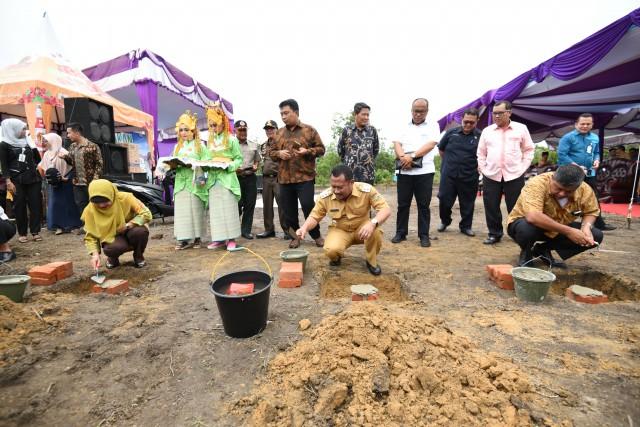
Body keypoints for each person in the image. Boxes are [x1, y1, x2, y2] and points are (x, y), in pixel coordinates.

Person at [297, 165, 391, 275]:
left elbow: (385, 209)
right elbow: (315, 216)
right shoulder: (325, 196)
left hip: (362, 230)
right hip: (340, 229)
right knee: (331, 249)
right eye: (333, 186)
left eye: (340, 187)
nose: (336, 191)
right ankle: (336, 258)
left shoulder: (366, 190)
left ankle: (371, 261)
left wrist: (372, 223)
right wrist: (304, 228)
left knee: (375, 230)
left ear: (351, 182)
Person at [507, 165, 603, 268]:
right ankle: (526, 253)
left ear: (577, 187)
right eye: (558, 188)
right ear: (552, 178)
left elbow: (591, 211)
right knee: (526, 229)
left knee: (596, 235)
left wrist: (586, 227)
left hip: (558, 229)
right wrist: (569, 231)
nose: (562, 194)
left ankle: (542, 249)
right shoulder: (537, 184)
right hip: (526, 225)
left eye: (568, 191)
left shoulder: (584, 189)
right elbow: (533, 216)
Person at [270, 99, 325, 249]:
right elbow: (271, 153)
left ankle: (316, 235)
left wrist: (308, 151)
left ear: (296, 112)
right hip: (285, 179)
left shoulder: (309, 130)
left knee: (308, 206)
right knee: (289, 211)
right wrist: (279, 153)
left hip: (305, 177)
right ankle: (295, 237)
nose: (283, 116)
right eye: (281, 114)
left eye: (286, 113)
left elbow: (321, 149)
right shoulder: (279, 133)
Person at [477, 100, 535, 245]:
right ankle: (494, 233)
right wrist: (483, 169)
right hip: (491, 174)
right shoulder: (487, 131)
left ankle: (517, 233)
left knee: (515, 206)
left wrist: (523, 168)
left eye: (500, 113)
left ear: (509, 113)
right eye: (494, 113)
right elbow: (481, 152)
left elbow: (529, 150)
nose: (496, 116)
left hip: (514, 174)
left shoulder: (521, 128)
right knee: (491, 205)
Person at [391, 98, 440, 247]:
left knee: (423, 205)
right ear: (411, 110)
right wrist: (402, 158)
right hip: (404, 171)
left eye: (421, 111)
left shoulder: (433, 125)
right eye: (415, 111)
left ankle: (424, 235)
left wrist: (411, 156)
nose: (418, 114)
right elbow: (397, 143)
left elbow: (431, 144)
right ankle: (401, 232)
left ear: (427, 111)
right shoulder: (402, 125)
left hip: (424, 171)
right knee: (403, 204)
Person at [557, 113, 615, 231]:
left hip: (589, 173)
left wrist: (597, 160)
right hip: (570, 173)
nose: (585, 126)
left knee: (592, 196)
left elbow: (597, 152)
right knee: (565, 196)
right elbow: (562, 155)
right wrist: (576, 166)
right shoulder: (568, 137)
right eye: (582, 124)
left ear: (592, 125)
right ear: (576, 124)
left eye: (588, 124)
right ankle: (559, 220)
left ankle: (599, 223)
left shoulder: (594, 137)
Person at [83, 179, 152, 270]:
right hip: (111, 237)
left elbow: (146, 213)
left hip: (130, 230)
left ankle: (138, 256)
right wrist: (95, 255)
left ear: (112, 194)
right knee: (111, 249)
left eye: (105, 201)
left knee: (140, 232)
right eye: (97, 203)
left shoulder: (126, 198)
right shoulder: (90, 210)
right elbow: (90, 236)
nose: (102, 205)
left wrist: (129, 225)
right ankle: (112, 259)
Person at [437, 108, 481, 237]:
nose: (468, 124)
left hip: (469, 175)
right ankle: (445, 221)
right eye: (466, 121)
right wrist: (449, 163)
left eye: (471, 123)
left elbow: (484, 154)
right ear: (461, 119)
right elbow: (441, 149)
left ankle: (466, 226)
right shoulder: (451, 133)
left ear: (477, 121)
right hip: (449, 174)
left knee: (467, 202)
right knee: (444, 199)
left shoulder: (480, 136)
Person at [204, 103, 243, 251]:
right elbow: (207, 158)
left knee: (228, 208)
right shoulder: (210, 141)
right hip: (213, 179)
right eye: (211, 125)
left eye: (216, 125)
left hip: (227, 178)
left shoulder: (232, 140)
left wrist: (230, 166)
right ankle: (219, 239)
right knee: (215, 210)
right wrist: (205, 164)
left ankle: (231, 239)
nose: (213, 128)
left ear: (223, 123)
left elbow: (238, 158)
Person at [170, 111, 208, 250]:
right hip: (181, 182)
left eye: (186, 129)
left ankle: (197, 238)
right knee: (182, 211)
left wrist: (194, 163)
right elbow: (173, 161)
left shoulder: (200, 146)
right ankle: (183, 239)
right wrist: (172, 164)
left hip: (195, 180)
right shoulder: (177, 147)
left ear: (193, 130)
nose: (183, 133)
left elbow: (207, 162)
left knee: (195, 209)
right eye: (181, 130)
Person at [0, 118, 43, 243]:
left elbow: (38, 159)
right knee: (19, 206)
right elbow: (4, 165)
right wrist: (8, 181)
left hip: (33, 178)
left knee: (35, 204)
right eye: (22, 129)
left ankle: (35, 231)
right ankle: (23, 232)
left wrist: (32, 144)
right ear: (13, 129)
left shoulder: (27, 142)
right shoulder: (4, 144)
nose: (25, 131)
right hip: (16, 179)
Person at [37, 133, 82, 235]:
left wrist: (67, 178)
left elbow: (75, 167)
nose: (44, 142)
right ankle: (58, 226)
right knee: (55, 204)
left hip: (66, 182)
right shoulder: (48, 153)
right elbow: (41, 166)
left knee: (68, 204)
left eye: (45, 140)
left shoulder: (64, 152)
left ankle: (72, 225)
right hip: (53, 183)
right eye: (43, 140)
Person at [62, 122, 103, 217]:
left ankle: (97, 225)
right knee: (80, 204)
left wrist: (95, 180)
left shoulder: (92, 146)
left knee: (94, 204)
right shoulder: (72, 146)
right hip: (77, 182)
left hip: (91, 182)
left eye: (69, 133)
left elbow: (99, 164)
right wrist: (65, 157)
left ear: (77, 133)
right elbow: (71, 162)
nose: (68, 136)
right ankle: (86, 226)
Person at [257, 120, 287, 239]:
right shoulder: (263, 145)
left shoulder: (282, 143)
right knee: (267, 205)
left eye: (271, 128)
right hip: (266, 179)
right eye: (267, 129)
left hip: (278, 178)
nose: (269, 131)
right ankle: (269, 230)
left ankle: (287, 230)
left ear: (277, 129)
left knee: (282, 206)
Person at [337, 102, 380, 184]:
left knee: (367, 196)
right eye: (363, 114)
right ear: (355, 114)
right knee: (350, 196)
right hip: (349, 175)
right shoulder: (346, 130)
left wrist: (367, 159)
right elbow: (340, 150)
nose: (366, 117)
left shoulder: (372, 131)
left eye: (368, 115)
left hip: (368, 174)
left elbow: (375, 150)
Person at [235, 120, 261, 239]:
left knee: (250, 204)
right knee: (237, 204)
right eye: (240, 130)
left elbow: (257, 160)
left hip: (250, 177)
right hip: (236, 178)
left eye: (244, 130)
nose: (243, 132)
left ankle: (246, 231)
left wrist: (255, 165)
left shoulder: (253, 144)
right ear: (235, 130)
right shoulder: (231, 144)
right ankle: (234, 228)